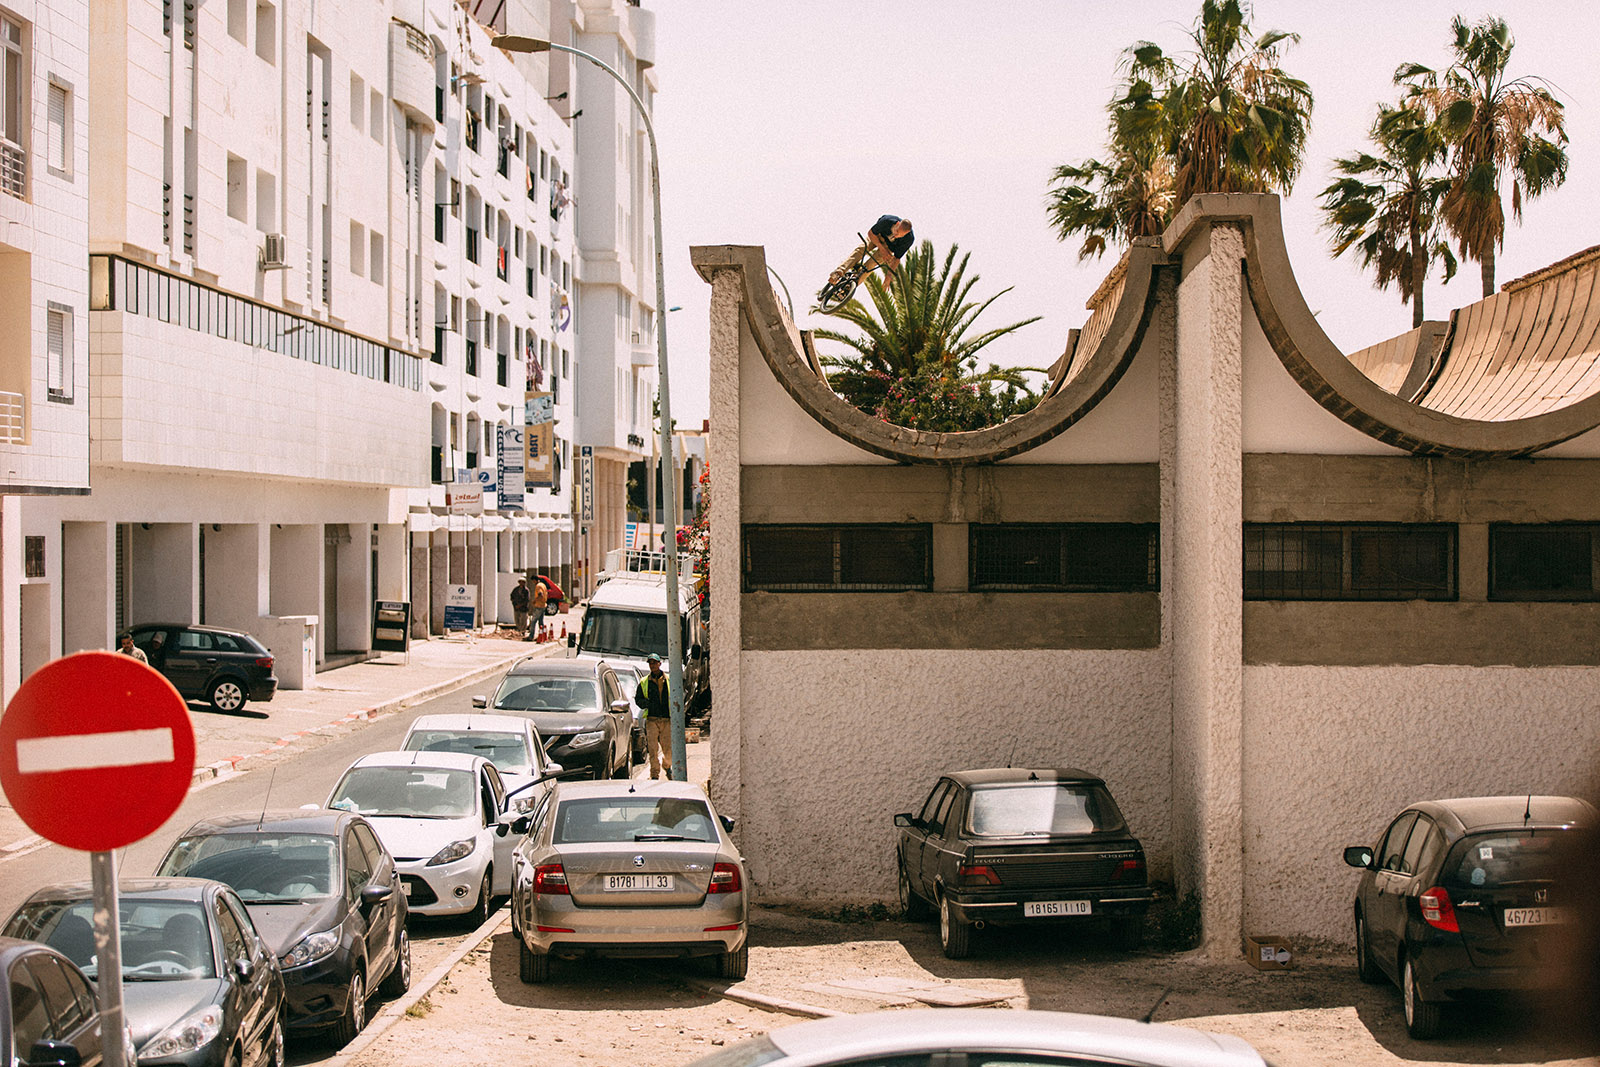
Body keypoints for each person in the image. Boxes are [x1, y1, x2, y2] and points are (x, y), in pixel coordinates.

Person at [828, 214, 915, 288]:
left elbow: (896, 258)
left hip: (888, 248)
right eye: (896, 231)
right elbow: (871, 233)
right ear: (897, 223)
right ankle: (839, 272)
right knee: (862, 249)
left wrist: (888, 276)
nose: (896, 235)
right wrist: (880, 247)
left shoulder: (908, 239)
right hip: (876, 237)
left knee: (872, 264)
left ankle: (852, 284)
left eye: (900, 235)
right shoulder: (887, 220)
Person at [634, 653, 672, 779]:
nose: (653, 665)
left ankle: (667, 766)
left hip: (666, 719)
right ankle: (654, 773)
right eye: (650, 663)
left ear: (660, 664)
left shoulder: (669, 680)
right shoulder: (644, 682)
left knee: (668, 749)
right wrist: (647, 704)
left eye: (655, 663)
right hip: (652, 719)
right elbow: (638, 699)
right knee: (652, 749)